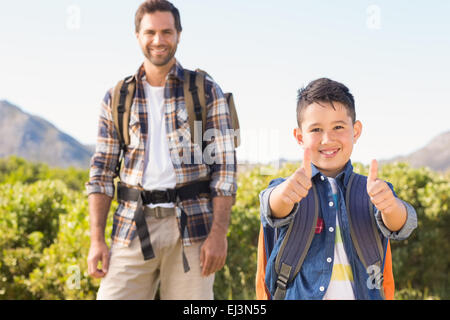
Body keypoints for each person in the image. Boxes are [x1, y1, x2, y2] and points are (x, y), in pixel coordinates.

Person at [85, 0, 237, 300]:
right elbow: (101, 172)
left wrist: (219, 235)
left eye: (167, 32)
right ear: (137, 35)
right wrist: (96, 240)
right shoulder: (117, 97)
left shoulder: (205, 90)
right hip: (131, 226)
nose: (159, 40)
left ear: (179, 34)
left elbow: (225, 169)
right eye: (150, 32)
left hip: (194, 229)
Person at [259, 78, 417, 299]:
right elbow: (270, 206)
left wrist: (391, 207)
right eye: (316, 129)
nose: (328, 138)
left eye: (338, 127)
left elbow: (403, 224)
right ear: (299, 137)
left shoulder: (371, 190)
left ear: (356, 130)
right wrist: (285, 194)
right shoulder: (289, 187)